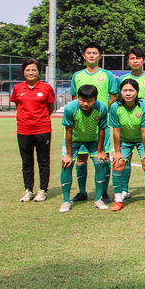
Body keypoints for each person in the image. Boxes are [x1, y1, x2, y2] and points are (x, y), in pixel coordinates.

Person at [68, 42, 118, 204]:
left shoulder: (107, 75)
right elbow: (74, 98)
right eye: (88, 53)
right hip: (81, 124)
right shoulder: (77, 75)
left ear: (100, 55)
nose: (91, 55)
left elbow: (114, 96)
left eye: (94, 53)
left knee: (103, 157)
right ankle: (82, 192)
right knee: (81, 158)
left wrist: (102, 111)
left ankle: (103, 192)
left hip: (100, 124)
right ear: (84, 56)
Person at [59, 84, 110, 213]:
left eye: (89, 101)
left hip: (93, 139)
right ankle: (66, 201)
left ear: (95, 99)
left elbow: (102, 129)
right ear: (78, 98)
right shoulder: (70, 108)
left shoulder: (102, 108)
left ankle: (99, 199)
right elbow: (68, 132)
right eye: (82, 100)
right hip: (74, 139)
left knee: (100, 163)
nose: (85, 104)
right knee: (67, 164)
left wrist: (100, 151)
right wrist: (69, 154)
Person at [108, 78, 145, 211]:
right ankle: (118, 200)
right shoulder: (115, 107)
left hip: (142, 140)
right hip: (125, 140)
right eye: (125, 90)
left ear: (137, 91)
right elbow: (116, 131)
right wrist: (117, 152)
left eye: (131, 90)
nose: (128, 93)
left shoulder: (144, 106)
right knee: (118, 163)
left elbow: (144, 130)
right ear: (120, 92)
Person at [12, 58, 55, 202]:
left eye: (34, 70)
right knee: (27, 162)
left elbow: (50, 107)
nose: (31, 73)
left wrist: (40, 119)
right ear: (23, 72)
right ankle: (28, 190)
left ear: (38, 72)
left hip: (42, 129)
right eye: (28, 70)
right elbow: (18, 105)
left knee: (43, 162)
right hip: (23, 130)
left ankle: (43, 190)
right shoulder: (17, 88)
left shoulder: (46, 88)